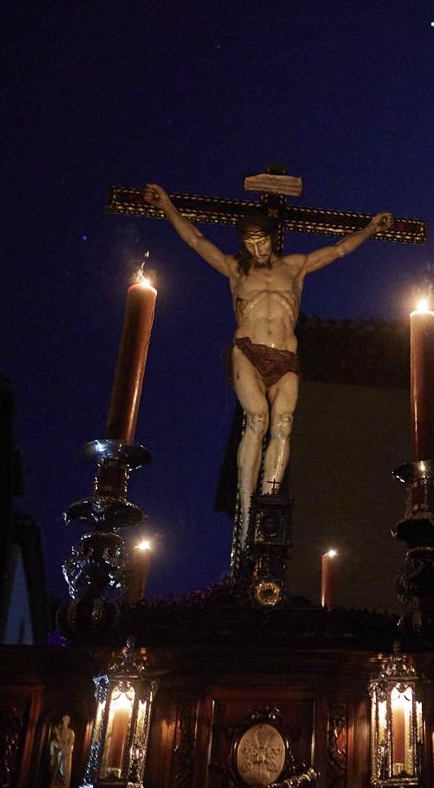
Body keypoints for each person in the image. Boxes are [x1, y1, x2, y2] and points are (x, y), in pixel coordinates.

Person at [145, 183, 391, 557]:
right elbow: (195, 240)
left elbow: (339, 250)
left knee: (284, 424)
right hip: (249, 350)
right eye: (250, 244)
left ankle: (269, 504)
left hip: (286, 355)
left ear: (273, 240)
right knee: (257, 418)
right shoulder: (235, 270)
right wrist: (166, 204)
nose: (256, 250)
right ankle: (245, 511)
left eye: (262, 242)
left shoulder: (296, 267)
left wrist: (371, 229)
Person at [46, 715, 75, 788]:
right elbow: (57, 741)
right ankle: (55, 786)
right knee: (57, 768)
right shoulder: (60, 731)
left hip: (66, 753)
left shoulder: (71, 732)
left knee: (64, 770)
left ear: (68, 722)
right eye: (63, 721)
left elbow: (70, 744)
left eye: (65, 721)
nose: (63, 722)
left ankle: (64, 787)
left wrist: (65, 750)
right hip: (59, 752)